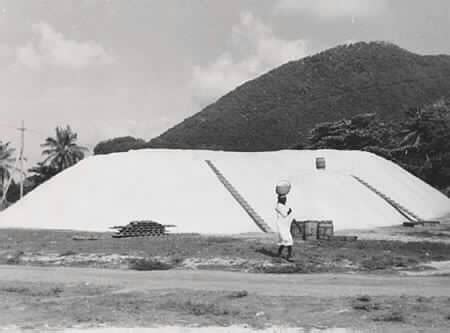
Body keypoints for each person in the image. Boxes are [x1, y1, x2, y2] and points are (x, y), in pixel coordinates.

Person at [275, 194, 294, 261]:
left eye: (285, 199)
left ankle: (286, 255)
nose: (285, 200)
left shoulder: (284, 206)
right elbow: (285, 214)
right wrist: (289, 211)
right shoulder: (278, 206)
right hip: (281, 227)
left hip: (286, 227)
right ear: (280, 199)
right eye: (284, 199)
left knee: (287, 241)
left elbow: (290, 216)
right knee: (286, 240)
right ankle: (288, 256)